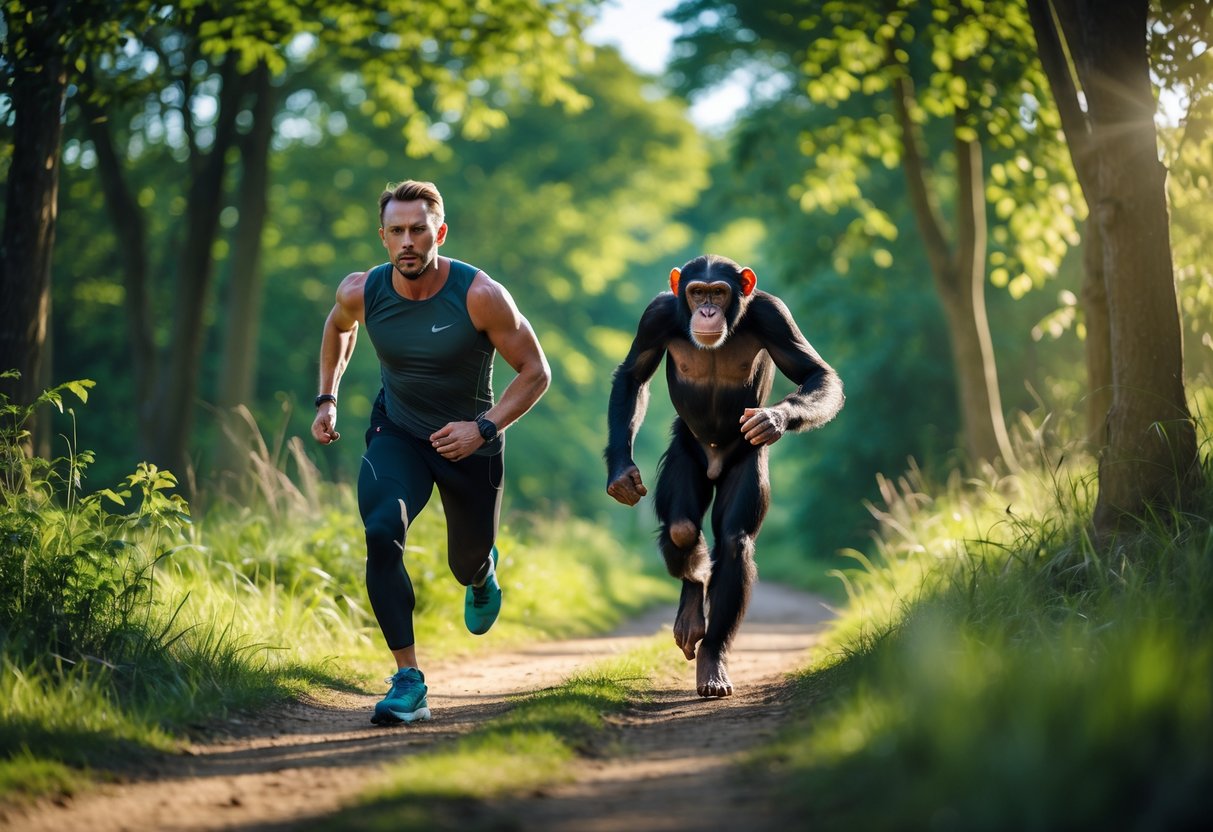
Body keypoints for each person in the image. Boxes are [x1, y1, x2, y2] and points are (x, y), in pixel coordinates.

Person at [311, 180, 551, 725]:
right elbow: (339, 326)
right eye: (396, 231)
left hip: (470, 444)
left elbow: (536, 373)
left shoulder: (480, 295)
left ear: (439, 232)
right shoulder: (362, 290)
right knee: (379, 530)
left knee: (463, 563)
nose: (408, 242)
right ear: (383, 237)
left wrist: (482, 429)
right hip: (397, 432)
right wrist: (328, 398)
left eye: (418, 230)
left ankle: (482, 572)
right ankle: (408, 679)